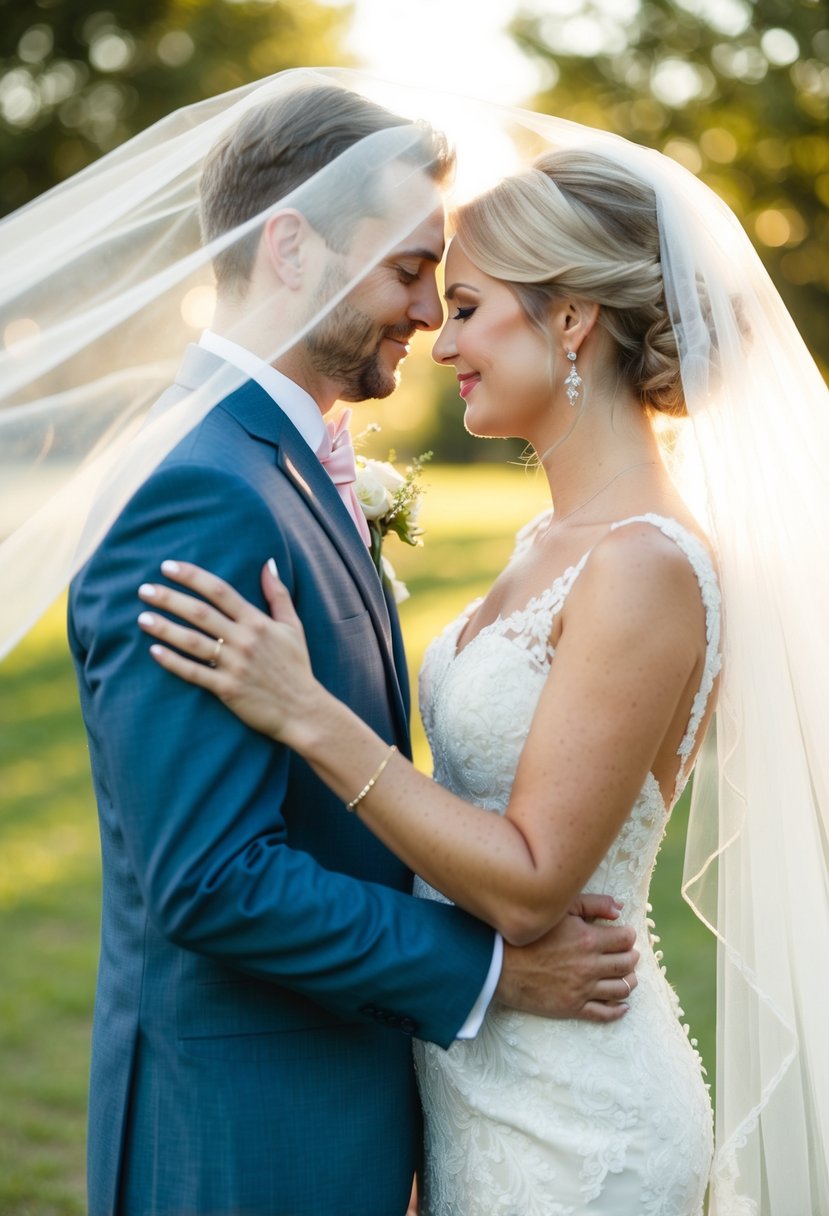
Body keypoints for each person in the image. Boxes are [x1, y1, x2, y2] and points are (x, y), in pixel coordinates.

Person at [137, 134, 828, 1214]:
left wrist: (307, 713)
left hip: (575, 1125)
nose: (437, 336)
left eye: (465, 304)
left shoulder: (643, 562)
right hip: (475, 1083)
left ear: (568, 319)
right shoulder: (545, 543)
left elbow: (529, 880)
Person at [63, 83, 640, 1216]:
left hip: (332, 1111)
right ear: (290, 247)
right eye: (408, 268)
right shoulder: (200, 489)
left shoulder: (269, 457)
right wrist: (490, 971)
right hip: (242, 1140)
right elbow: (213, 877)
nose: (429, 311)